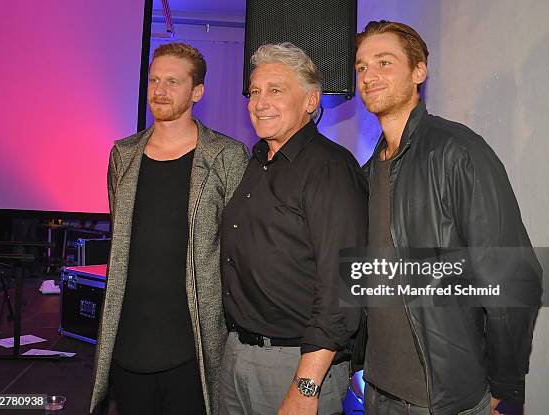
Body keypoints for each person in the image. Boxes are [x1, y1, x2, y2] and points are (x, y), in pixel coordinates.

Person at [355, 21, 542, 415]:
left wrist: (504, 383)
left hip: (445, 400)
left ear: (418, 71)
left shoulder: (458, 152)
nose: (369, 76)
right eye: (361, 67)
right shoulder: (369, 169)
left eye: (384, 62)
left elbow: (513, 275)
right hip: (376, 391)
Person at [89, 42, 249, 415]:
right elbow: (124, 238)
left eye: (172, 82)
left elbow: (236, 249)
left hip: (193, 344)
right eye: (154, 80)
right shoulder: (122, 155)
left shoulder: (227, 156)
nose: (159, 91)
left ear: (197, 92)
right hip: (129, 341)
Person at [218, 43, 367, 415]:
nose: (259, 102)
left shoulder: (330, 168)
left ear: (311, 101)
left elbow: (342, 287)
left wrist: (305, 386)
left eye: (275, 90)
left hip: (296, 363)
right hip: (237, 354)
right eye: (254, 91)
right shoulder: (257, 162)